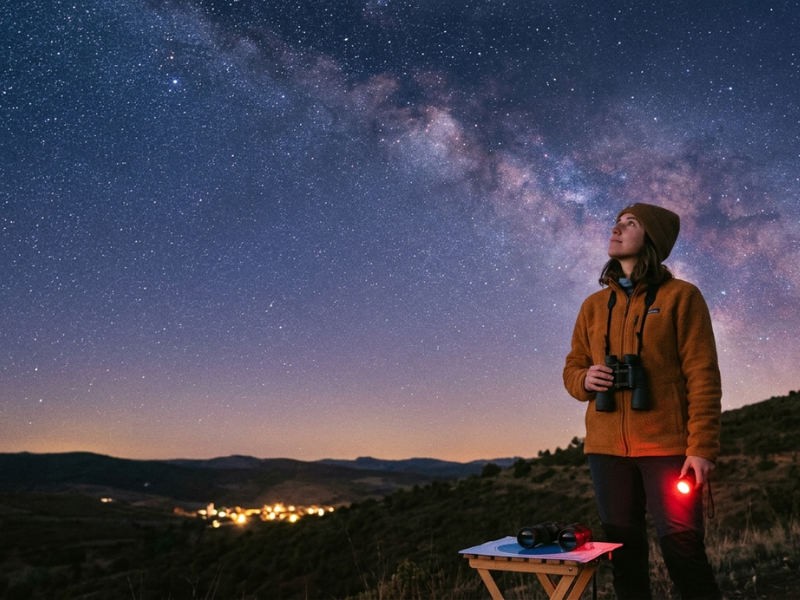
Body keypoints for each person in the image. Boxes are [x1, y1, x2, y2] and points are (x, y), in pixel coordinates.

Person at [563, 203, 722, 600]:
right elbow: (572, 369)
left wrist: (702, 447)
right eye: (616, 222)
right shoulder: (593, 306)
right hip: (606, 452)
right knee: (624, 556)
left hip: (668, 447)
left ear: (651, 239)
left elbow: (702, 375)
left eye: (629, 224)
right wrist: (586, 379)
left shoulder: (682, 297)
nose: (616, 229)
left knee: (683, 550)